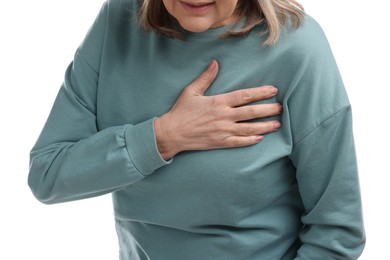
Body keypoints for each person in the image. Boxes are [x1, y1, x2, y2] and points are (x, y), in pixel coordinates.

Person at [28, 0, 366, 259]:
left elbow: (337, 233)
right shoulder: (118, 21)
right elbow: (48, 174)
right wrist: (164, 137)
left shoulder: (299, 49)